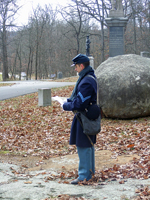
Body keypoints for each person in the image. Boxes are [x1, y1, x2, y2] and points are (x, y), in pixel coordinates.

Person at [62, 54, 97, 184]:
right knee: (88, 144)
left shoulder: (87, 80)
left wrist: (65, 105)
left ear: (81, 66)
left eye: (76, 67)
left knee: (84, 145)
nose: (75, 69)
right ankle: (89, 173)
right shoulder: (89, 77)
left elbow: (80, 104)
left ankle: (84, 176)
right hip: (86, 116)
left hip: (84, 117)